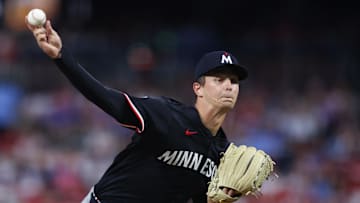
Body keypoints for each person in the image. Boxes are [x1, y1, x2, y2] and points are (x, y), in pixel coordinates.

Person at [25, 18, 249, 203]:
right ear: (198, 88)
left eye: (234, 81)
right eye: (219, 79)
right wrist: (62, 57)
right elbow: (106, 99)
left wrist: (224, 199)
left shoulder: (222, 152)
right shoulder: (167, 115)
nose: (229, 85)